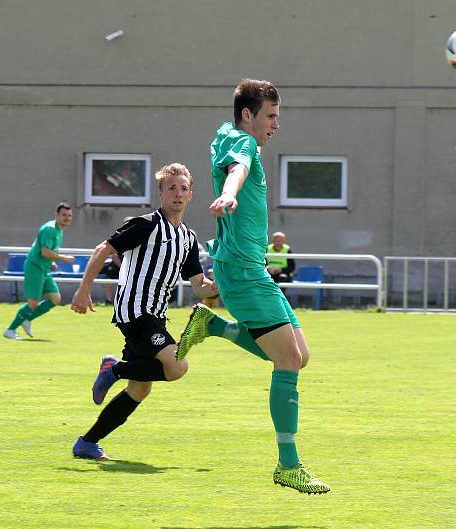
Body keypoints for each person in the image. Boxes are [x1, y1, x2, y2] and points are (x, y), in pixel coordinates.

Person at [177, 79, 329, 494]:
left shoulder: (229, 137)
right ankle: (289, 465)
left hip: (249, 269)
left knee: (301, 356)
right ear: (248, 115)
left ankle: (213, 326)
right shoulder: (241, 143)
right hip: (243, 271)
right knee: (288, 362)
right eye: (271, 115)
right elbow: (237, 170)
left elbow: (238, 162)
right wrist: (229, 195)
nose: (277, 123)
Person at [70, 163, 217, 460]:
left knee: (140, 388)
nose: (178, 193)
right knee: (177, 366)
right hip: (136, 310)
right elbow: (102, 250)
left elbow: (200, 285)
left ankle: (86, 443)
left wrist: (228, 284)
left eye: (183, 188)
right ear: (161, 193)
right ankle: (114, 369)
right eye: (171, 188)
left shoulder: (187, 238)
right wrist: (83, 289)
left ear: (191, 195)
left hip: (155, 314)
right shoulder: (145, 225)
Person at [3, 202, 75, 339]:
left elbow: (40, 248)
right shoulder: (50, 229)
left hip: (44, 267)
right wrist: (64, 259)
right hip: (35, 267)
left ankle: (27, 319)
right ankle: (10, 330)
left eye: (69, 215)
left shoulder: (59, 229)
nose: (67, 218)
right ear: (57, 215)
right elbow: (44, 252)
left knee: (55, 298)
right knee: (33, 303)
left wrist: (51, 262)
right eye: (64, 215)